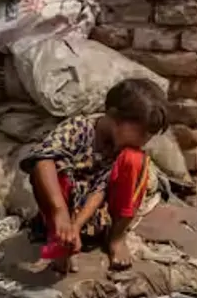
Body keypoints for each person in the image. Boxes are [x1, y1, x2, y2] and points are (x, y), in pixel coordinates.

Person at [20, 78, 168, 272]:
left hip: (98, 214)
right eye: (141, 134)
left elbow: (100, 189)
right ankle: (59, 241)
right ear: (115, 116)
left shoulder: (122, 148)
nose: (143, 141)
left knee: (136, 160)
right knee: (49, 165)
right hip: (63, 211)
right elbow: (42, 162)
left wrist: (77, 225)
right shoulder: (79, 129)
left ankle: (115, 238)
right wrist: (61, 214)